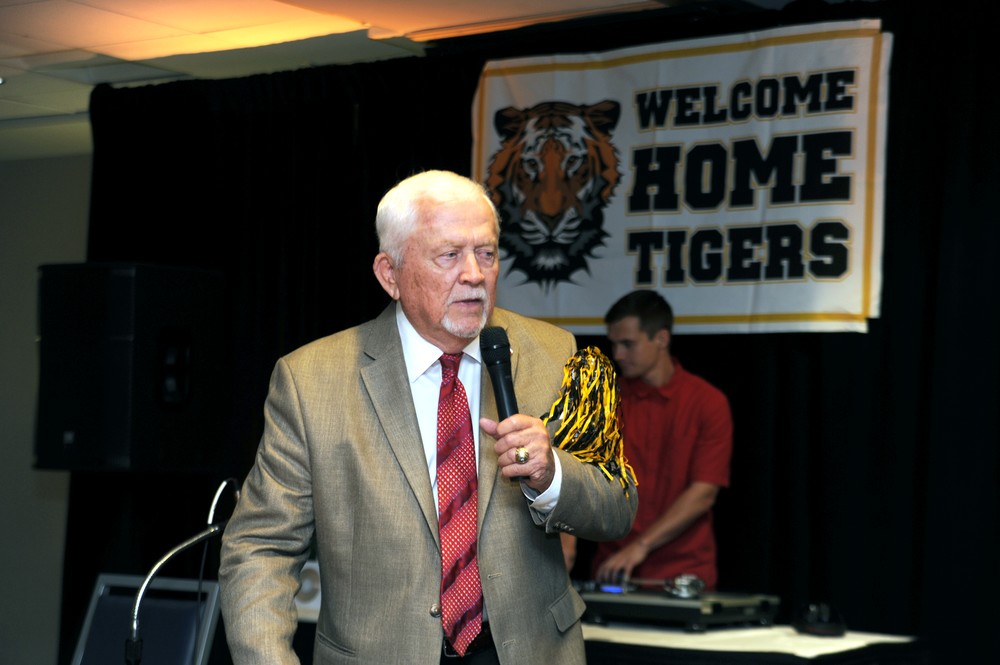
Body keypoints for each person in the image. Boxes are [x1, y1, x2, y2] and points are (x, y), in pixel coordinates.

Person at [219, 170, 637, 665]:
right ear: (389, 274)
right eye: (449, 255)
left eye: (486, 253)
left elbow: (617, 507)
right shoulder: (311, 381)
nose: (474, 274)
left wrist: (552, 477)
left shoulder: (554, 353)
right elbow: (261, 547)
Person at [564, 290, 731, 590]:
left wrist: (641, 546)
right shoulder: (606, 401)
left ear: (661, 339)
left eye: (628, 344)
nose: (618, 354)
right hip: (613, 571)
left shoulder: (707, 402)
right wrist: (566, 540)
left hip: (685, 571)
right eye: (614, 344)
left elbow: (704, 493)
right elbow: (578, 476)